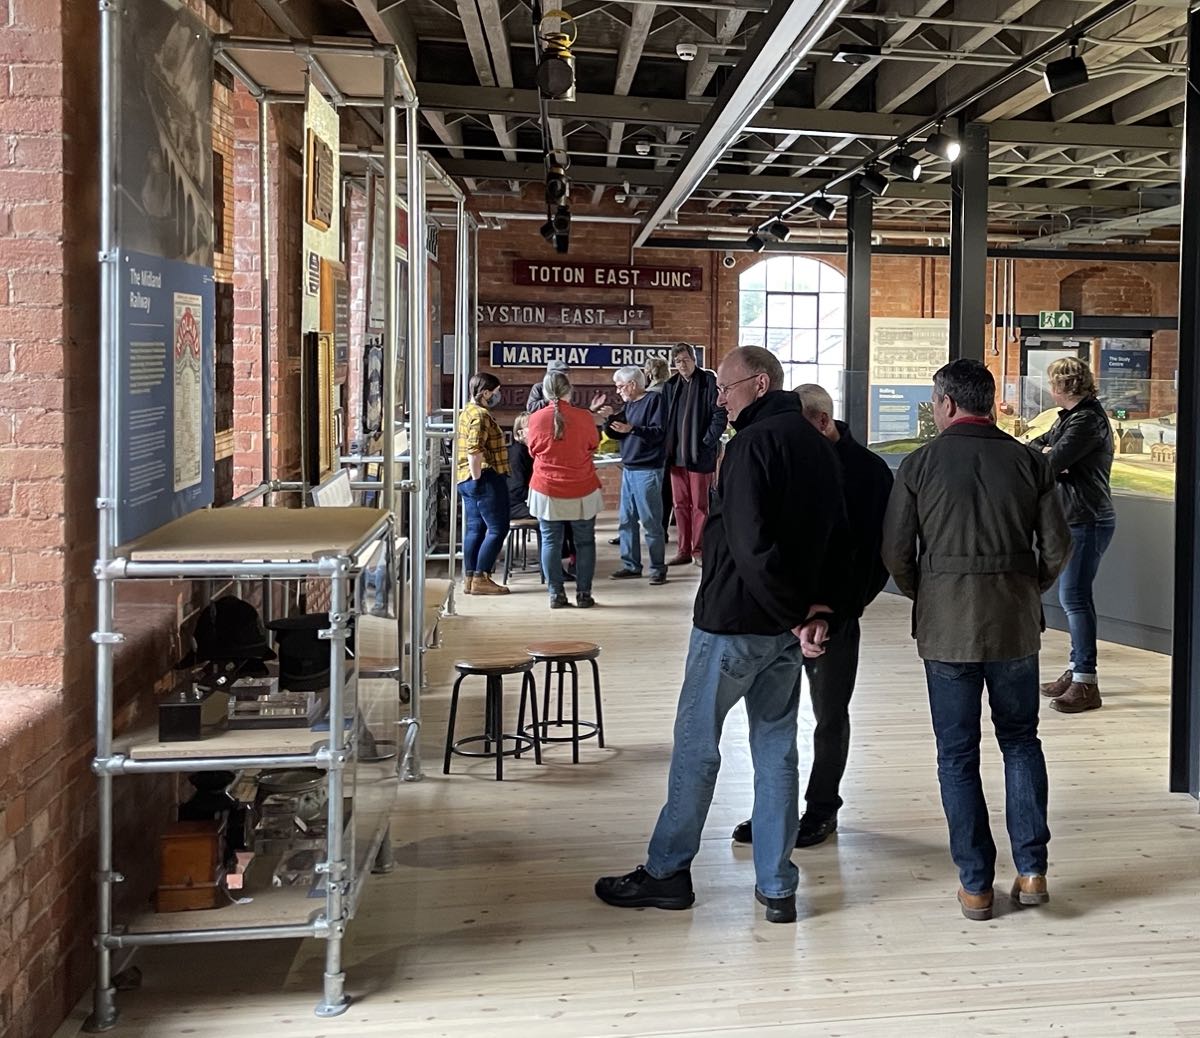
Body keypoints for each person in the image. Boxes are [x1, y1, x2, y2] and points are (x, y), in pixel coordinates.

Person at [595, 347, 845, 924]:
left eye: (727, 388)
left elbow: (752, 545)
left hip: (735, 624)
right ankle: (777, 885)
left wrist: (790, 613)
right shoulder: (815, 442)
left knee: (696, 747)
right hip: (787, 631)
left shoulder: (751, 445)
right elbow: (835, 535)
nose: (719, 399)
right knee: (777, 750)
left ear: (759, 384)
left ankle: (666, 872)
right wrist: (813, 615)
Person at [881, 359, 1071, 922]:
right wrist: (1026, 586)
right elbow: (1058, 548)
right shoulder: (1030, 461)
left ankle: (976, 883)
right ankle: (1032, 869)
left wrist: (928, 591)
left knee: (957, 754)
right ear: (989, 403)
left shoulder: (918, 464)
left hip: (945, 628)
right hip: (1014, 622)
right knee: (1021, 740)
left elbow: (895, 553)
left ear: (944, 404)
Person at [730, 383, 892, 850]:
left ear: (822, 421)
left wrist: (839, 612)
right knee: (772, 717)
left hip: (833, 616)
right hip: (780, 613)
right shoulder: (794, 454)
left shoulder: (869, 473)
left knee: (828, 714)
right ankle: (774, 811)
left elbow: (873, 556)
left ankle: (822, 808)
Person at [1029, 357, 1115, 714]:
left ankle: (1085, 681)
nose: (1049, 389)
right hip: (1076, 518)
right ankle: (1077, 669)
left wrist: (1051, 455)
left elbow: (1047, 463)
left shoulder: (1086, 422)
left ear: (1061, 387)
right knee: (1074, 599)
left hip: (1087, 519)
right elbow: (1035, 448)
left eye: (1052, 382)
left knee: (1075, 599)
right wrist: (1048, 453)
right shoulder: (1072, 419)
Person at [526, 370, 603, 609]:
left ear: (545, 392)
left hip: (547, 486)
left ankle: (556, 594)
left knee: (550, 542)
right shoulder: (584, 417)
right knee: (585, 542)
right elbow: (593, 445)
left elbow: (532, 450)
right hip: (582, 485)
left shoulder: (536, 418)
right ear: (570, 389)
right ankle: (584, 594)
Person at [662, 342, 726, 568]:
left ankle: (699, 549)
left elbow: (720, 416)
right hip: (676, 458)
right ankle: (683, 550)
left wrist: (705, 443)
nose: (682, 365)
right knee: (679, 505)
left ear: (694, 359)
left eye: (685, 360)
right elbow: (664, 420)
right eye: (677, 361)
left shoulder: (709, 382)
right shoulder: (671, 386)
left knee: (700, 506)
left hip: (699, 456)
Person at [604, 366, 669, 585]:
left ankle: (658, 568)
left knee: (651, 522)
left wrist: (632, 429)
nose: (618, 390)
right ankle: (631, 565)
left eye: (620, 386)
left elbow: (660, 433)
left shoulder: (654, 401)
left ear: (632, 385)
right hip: (630, 469)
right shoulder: (629, 403)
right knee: (626, 521)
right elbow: (616, 430)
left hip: (648, 469)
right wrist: (607, 418)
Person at [456, 372, 512, 596]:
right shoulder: (480, 415)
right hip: (484, 477)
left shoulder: (465, 412)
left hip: (464, 479)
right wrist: (478, 477)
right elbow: (474, 449)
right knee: (498, 528)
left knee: (475, 528)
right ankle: (482, 577)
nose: (497, 397)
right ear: (486, 392)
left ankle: (469, 578)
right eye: (495, 393)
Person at [507, 412, 534, 521]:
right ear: (520, 433)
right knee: (550, 514)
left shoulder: (529, 451)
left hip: (521, 501)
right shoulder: (517, 454)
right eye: (531, 427)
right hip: (511, 505)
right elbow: (516, 489)